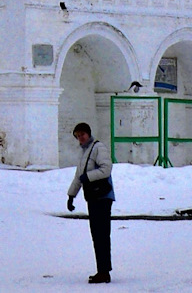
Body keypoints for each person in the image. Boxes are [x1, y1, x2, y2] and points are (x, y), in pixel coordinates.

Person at [67, 121, 115, 284]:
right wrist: (71, 195)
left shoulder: (97, 148)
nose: (80, 138)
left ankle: (104, 272)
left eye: (82, 135)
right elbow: (79, 176)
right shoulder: (84, 152)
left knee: (101, 234)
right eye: (78, 136)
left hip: (103, 196)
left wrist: (88, 177)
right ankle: (101, 270)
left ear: (89, 133)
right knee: (97, 235)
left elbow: (106, 169)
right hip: (93, 197)